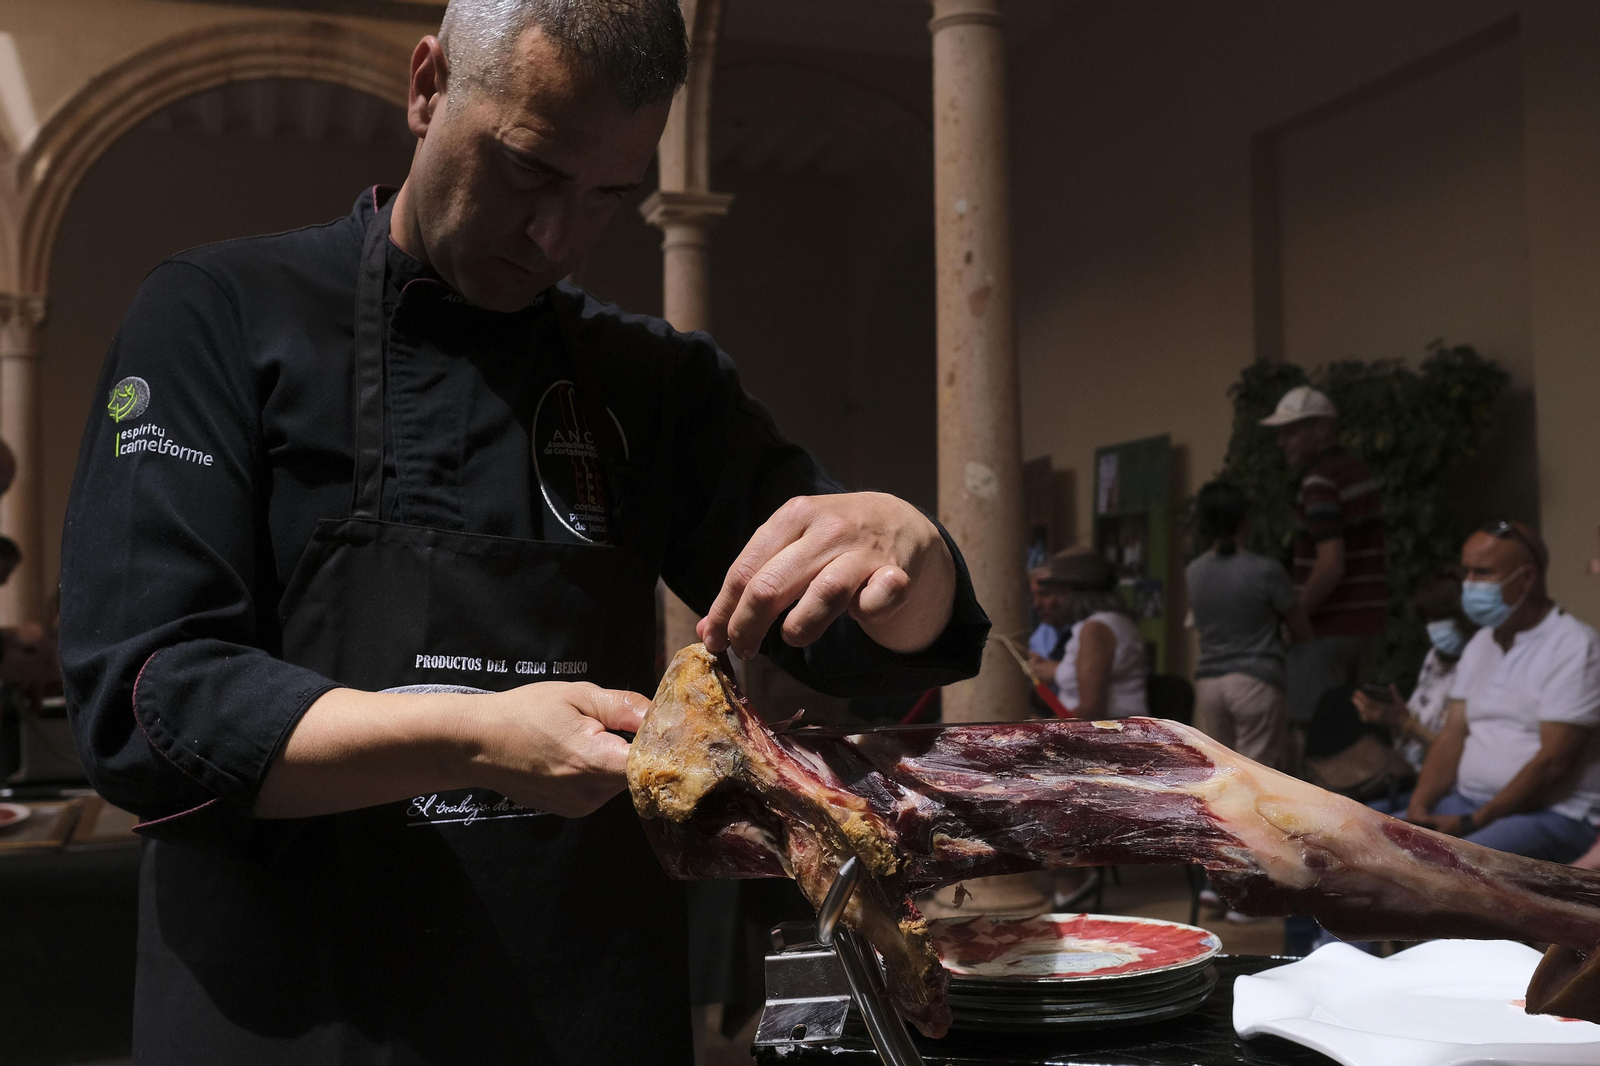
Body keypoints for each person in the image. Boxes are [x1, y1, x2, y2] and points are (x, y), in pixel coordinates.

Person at [56, 3, 989, 1062]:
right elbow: (150, 700)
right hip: (289, 1014)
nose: (559, 237)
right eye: (530, 169)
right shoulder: (217, 316)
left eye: (606, 196)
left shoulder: (655, 386)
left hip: (578, 1015)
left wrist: (911, 560)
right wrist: (475, 735)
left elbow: (851, 637)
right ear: (426, 87)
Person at [1404, 522, 1600, 862]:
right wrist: (1418, 807)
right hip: (1465, 803)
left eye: (1482, 573)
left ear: (1526, 578)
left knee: (1439, 866)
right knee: (1353, 837)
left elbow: (1554, 764)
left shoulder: (1574, 646)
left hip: (1551, 814)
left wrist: (1472, 822)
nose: (1469, 584)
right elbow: (1451, 735)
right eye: (1466, 572)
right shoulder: (1481, 643)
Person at [1261, 385, 1388, 724]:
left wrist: (1296, 619)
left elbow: (1331, 564)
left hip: (1327, 631)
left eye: (1291, 432)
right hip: (1366, 628)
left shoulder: (1320, 482)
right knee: (1358, 732)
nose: (1282, 442)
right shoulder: (1359, 474)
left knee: (1317, 733)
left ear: (1322, 429)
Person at [1186, 480, 1310, 770]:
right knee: (1258, 775)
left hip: (1209, 683)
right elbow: (1301, 628)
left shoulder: (1193, 571)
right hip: (1256, 681)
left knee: (1218, 773)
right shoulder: (1266, 570)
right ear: (1245, 520)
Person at [1351, 573, 1473, 788]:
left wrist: (1405, 722)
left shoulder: (1480, 664)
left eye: (1440, 618)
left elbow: (1459, 753)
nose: (1434, 627)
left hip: (1446, 785)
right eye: (1428, 619)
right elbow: (1416, 721)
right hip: (1407, 774)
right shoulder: (1435, 658)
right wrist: (1391, 717)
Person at [1031, 549, 1146, 719]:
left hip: (1111, 741)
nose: (1037, 604)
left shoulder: (1096, 629)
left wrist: (1031, 731)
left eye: (1049, 593)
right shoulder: (1107, 622)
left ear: (1072, 590)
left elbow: (1090, 714)